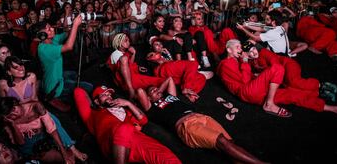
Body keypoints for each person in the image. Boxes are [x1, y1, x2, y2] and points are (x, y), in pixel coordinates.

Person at [136, 78, 268, 164]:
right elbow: (140, 91)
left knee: (229, 143)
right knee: (221, 141)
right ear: (149, 98)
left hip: (201, 117)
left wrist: (158, 90)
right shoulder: (152, 108)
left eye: (156, 88)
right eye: (152, 91)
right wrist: (152, 93)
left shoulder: (170, 96)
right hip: (186, 125)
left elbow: (169, 79)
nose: (156, 90)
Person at [217, 39, 337, 118]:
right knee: (278, 69)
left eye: (241, 47)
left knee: (292, 94)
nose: (241, 50)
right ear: (228, 50)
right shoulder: (225, 64)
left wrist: (256, 74)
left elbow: (251, 76)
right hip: (247, 92)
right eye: (238, 47)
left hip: (257, 93)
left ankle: (335, 109)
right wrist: (246, 64)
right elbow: (245, 82)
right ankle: (269, 104)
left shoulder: (241, 61)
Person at [0, 56, 88, 162]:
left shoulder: (31, 77)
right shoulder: (2, 84)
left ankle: (72, 148)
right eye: (16, 67)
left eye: (21, 65)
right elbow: (6, 107)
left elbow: (35, 99)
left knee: (53, 119)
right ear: (9, 72)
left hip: (32, 108)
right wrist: (21, 110)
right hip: (16, 114)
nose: (21, 68)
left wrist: (27, 107)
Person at [74, 86, 181, 164]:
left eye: (109, 94)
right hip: (112, 142)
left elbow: (143, 120)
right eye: (104, 95)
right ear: (97, 101)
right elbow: (78, 91)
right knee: (124, 128)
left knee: (168, 158)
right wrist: (95, 104)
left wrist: (128, 104)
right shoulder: (92, 115)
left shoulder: (125, 110)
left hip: (135, 140)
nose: (108, 96)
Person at [35, 15, 93, 110]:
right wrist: (75, 25)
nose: (52, 29)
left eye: (51, 27)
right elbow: (68, 46)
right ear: (41, 35)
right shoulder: (44, 49)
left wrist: (76, 25)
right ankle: (57, 98)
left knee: (73, 74)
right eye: (48, 29)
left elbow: (66, 34)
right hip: (54, 87)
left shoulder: (51, 40)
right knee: (89, 87)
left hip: (56, 76)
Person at [0, 97, 74, 163]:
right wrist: (13, 125)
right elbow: (21, 142)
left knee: (66, 157)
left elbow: (52, 129)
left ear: (15, 102)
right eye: (10, 116)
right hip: (28, 146)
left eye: (14, 109)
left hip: (43, 137)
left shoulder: (35, 106)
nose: (15, 114)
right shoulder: (9, 122)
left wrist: (64, 152)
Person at [146, 38, 211, 102]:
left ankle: (190, 94)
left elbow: (173, 63)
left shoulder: (165, 52)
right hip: (163, 69)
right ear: (151, 47)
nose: (159, 45)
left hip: (172, 74)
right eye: (156, 44)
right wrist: (157, 55)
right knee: (193, 64)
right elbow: (151, 58)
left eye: (160, 44)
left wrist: (168, 54)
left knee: (201, 77)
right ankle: (186, 88)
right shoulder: (151, 53)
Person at [107, 33, 165, 100]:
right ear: (119, 42)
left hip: (133, 76)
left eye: (129, 41)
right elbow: (122, 67)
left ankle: (154, 98)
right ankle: (133, 91)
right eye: (126, 40)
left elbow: (129, 65)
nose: (128, 42)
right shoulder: (115, 53)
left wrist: (134, 57)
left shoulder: (126, 53)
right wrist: (129, 54)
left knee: (162, 81)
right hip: (125, 80)